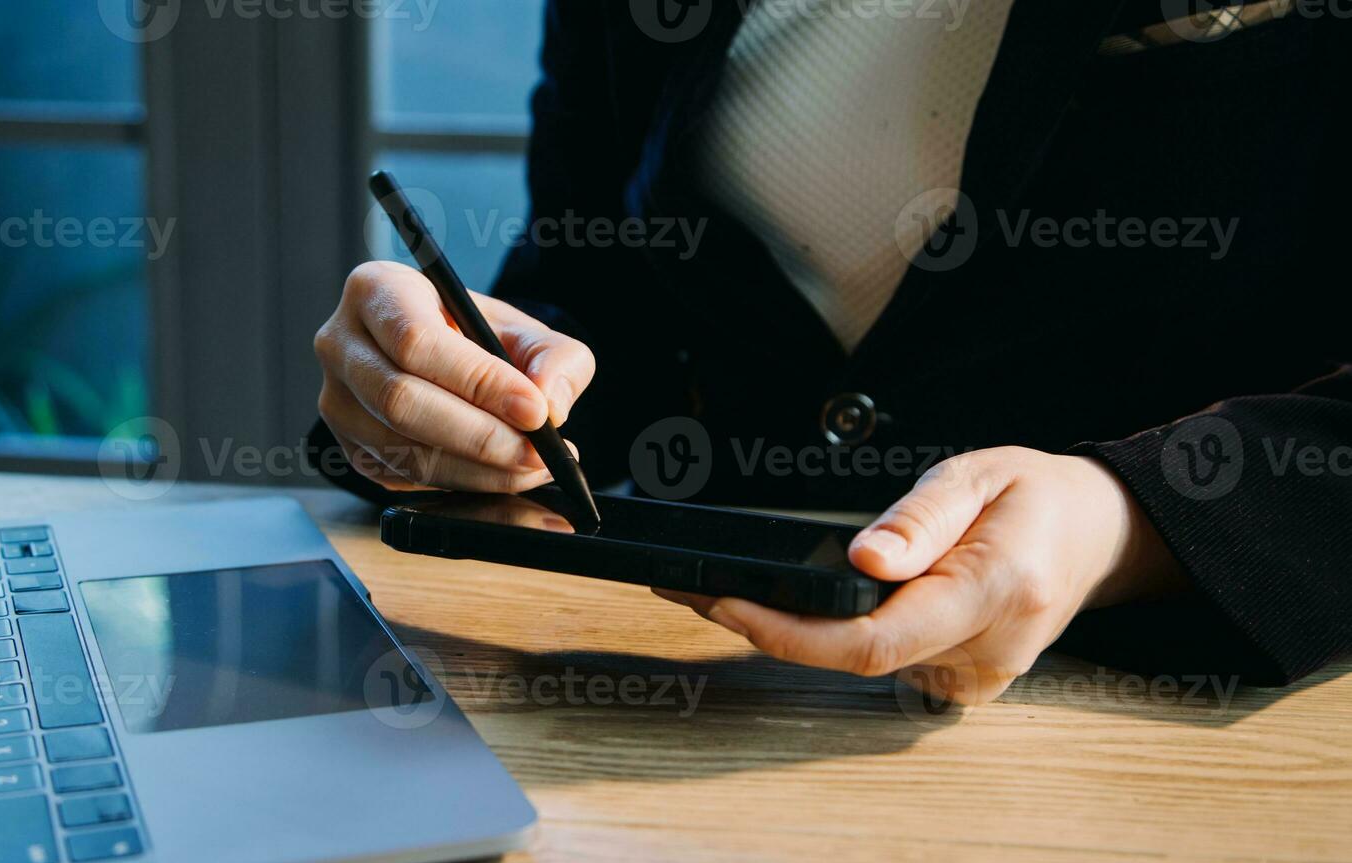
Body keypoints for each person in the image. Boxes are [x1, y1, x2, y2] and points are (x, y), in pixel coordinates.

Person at [311, 1, 1350, 702]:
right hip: (671, 696)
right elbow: (598, 282)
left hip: (1168, 714)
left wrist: (1131, 520)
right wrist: (436, 384)